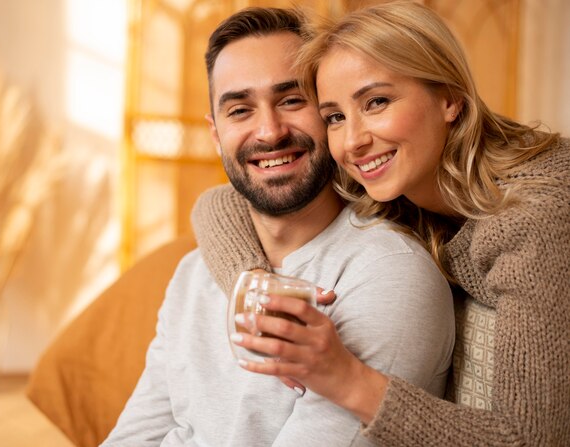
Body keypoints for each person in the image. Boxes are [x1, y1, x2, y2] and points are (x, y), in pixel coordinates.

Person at [190, 2, 570, 446]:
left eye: (377, 102)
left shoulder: (535, 218)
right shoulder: (390, 178)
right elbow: (218, 202)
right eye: (334, 116)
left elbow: (532, 439)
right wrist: (253, 279)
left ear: (449, 98)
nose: (353, 140)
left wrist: (347, 379)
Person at [102, 6, 455, 447]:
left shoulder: (387, 275)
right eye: (239, 110)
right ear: (216, 135)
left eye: (291, 100)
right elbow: (137, 434)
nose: (269, 132)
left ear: (328, 115)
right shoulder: (194, 272)